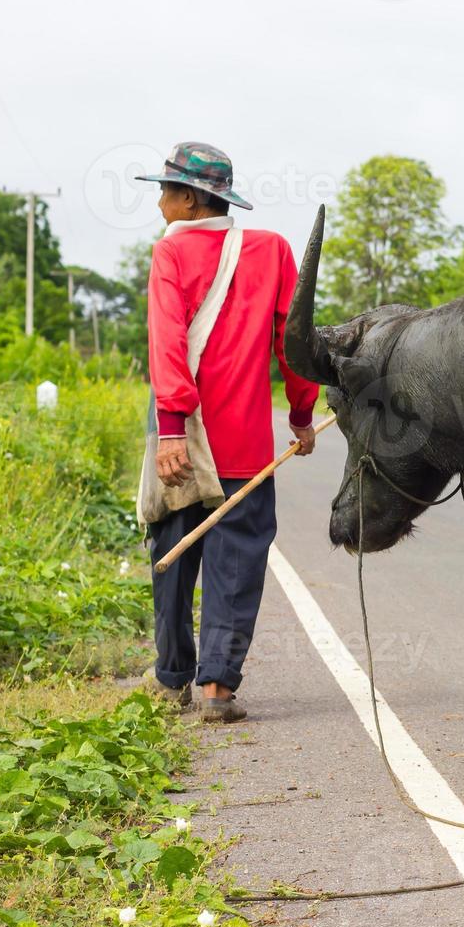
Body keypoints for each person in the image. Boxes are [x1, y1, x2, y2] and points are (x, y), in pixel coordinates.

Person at [137, 142, 320, 723]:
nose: (161, 201)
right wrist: (299, 414)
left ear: (190, 200)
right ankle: (218, 686)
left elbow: (166, 340)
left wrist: (169, 428)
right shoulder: (271, 251)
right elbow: (294, 344)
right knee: (237, 560)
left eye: (166, 190)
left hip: (184, 443)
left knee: (172, 548)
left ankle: (171, 680)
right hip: (243, 443)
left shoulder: (171, 254)